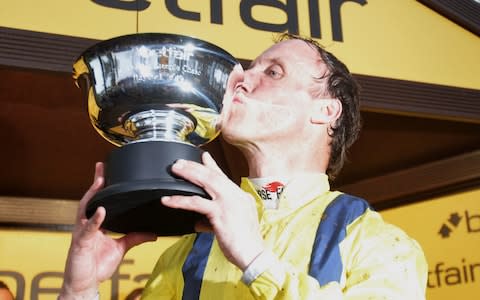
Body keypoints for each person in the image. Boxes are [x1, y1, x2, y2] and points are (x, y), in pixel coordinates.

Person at [59, 33, 428, 299]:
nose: (240, 80)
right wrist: (79, 290)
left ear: (326, 110)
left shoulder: (380, 244)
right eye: (249, 69)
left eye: (273, 72)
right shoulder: (186, 254)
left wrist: (256, 261)